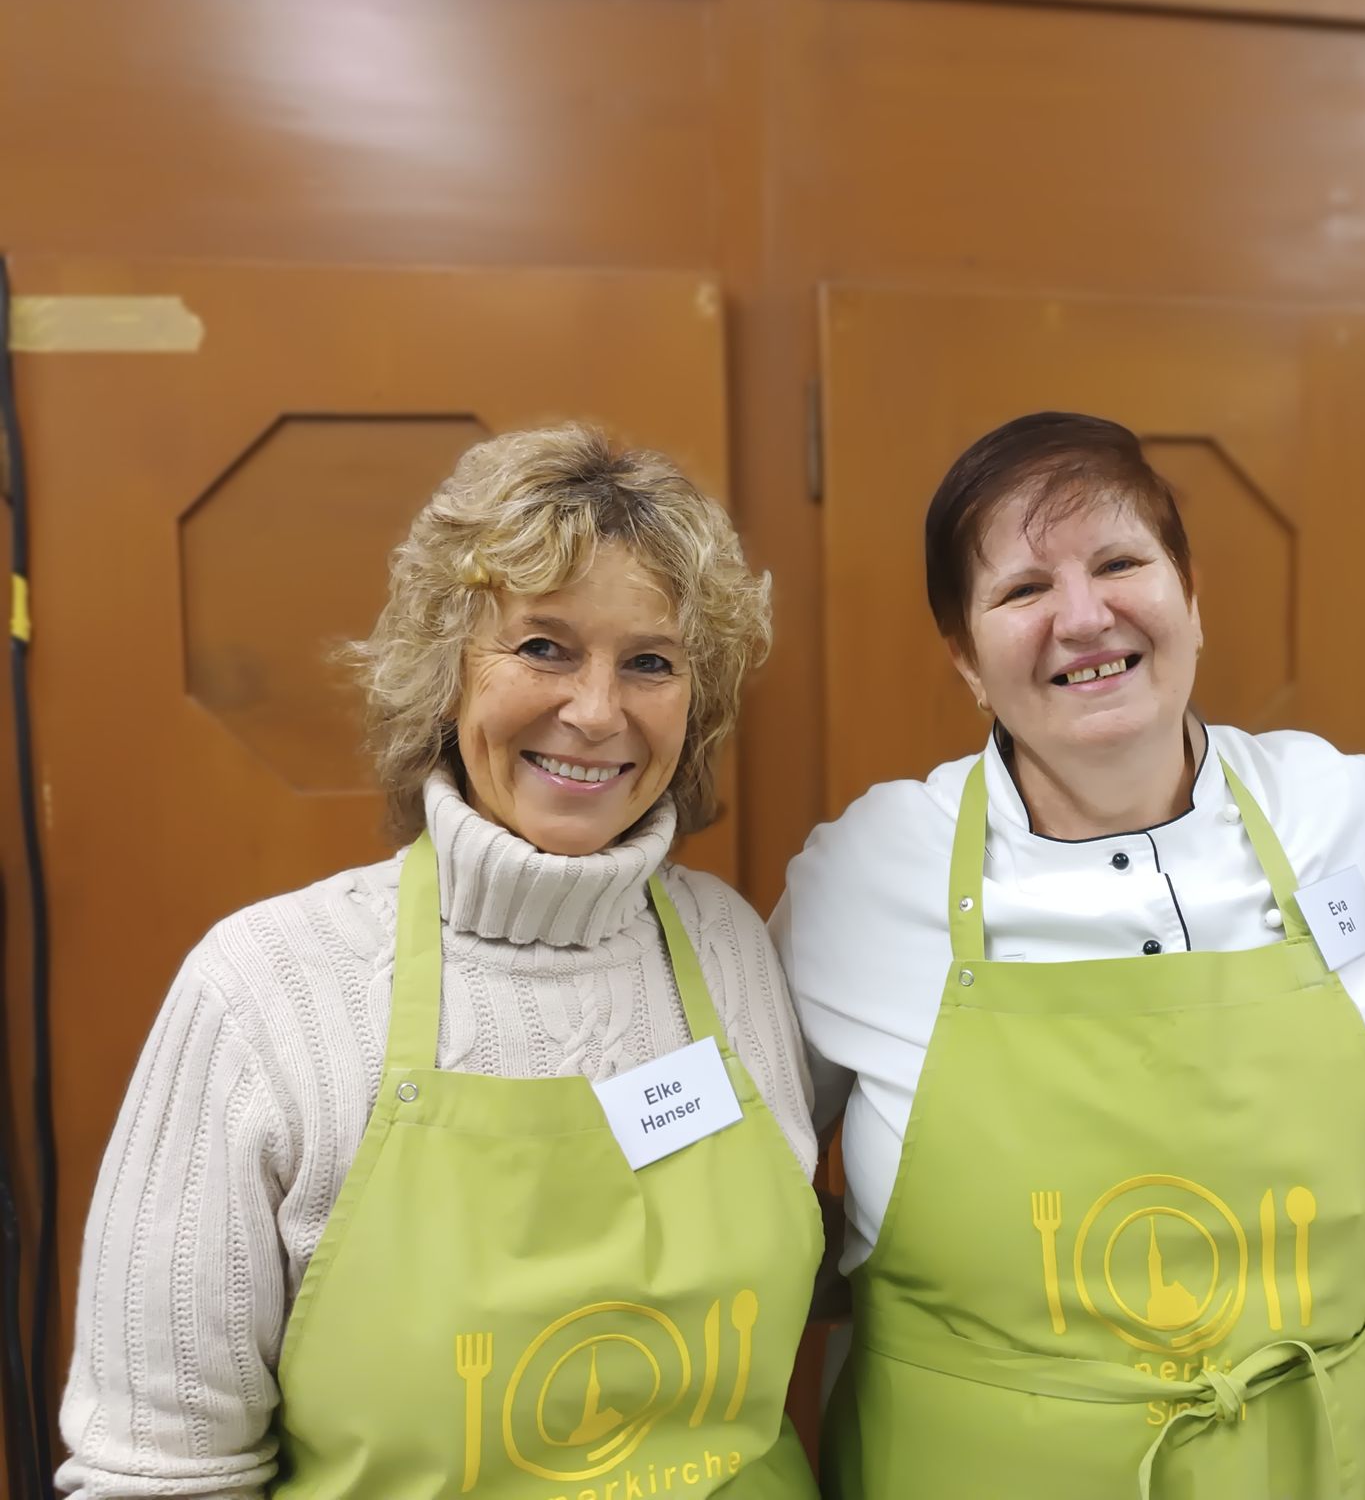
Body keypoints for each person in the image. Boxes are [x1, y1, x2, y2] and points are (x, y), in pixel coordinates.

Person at [59, 426, 823, 1499]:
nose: (596, 711)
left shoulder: (730, 947)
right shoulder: (267, 989)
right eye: (543, 647)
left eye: (649, 662)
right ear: (445, 671)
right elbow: (161, 1471)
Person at [773, 411, 1365, 1498]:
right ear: (964, 656)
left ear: (1190, 596)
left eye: (1118, 564)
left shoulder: (1341, 808)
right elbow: (740, 1179)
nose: (1083, 617)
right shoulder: (867, 873)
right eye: (1023, 589)